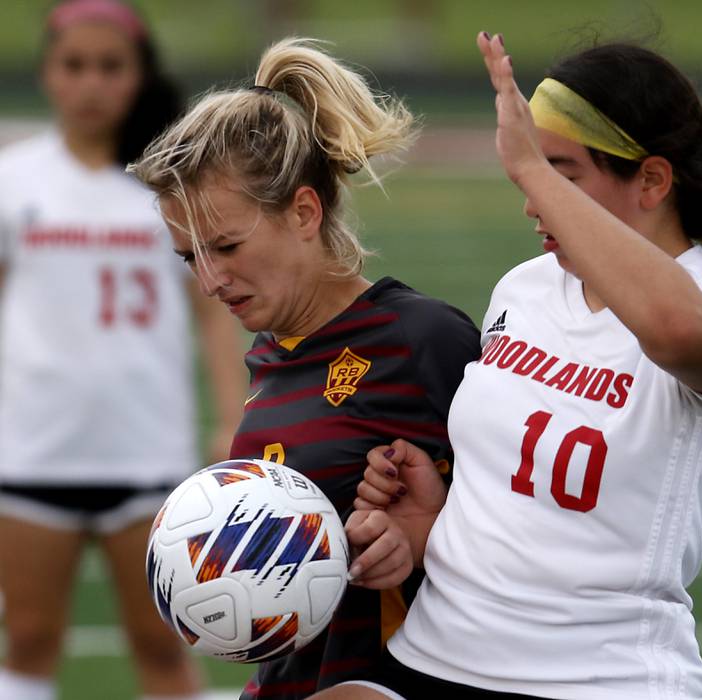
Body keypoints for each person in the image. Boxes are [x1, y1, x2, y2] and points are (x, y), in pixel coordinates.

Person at [306, 31, 702, 700]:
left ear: (652, 179)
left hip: (596, 679)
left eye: (562, 175)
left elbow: (674, 330)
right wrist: (430, 526)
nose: (534, 201)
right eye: (536, 174)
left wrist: (529, 165)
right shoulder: (526, 287)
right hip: (433, 659)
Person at [129, 37, 481, 700]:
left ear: (303, 212)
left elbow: (528, 529)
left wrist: (423, 538)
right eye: (188, 258)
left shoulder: (418, 340)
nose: (207, 280)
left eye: (227, 245)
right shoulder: (271, 359)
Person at [0, 2, 246, 699]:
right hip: (34, 450)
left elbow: (212, 312)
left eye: (111, 68)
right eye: (74, 66)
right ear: (47, 74)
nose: (92, 85)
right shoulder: (14, 180)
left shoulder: (170, 186)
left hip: (148, 453)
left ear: (139, 77)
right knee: (28, 639)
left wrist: (232, 414)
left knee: (164, 647)